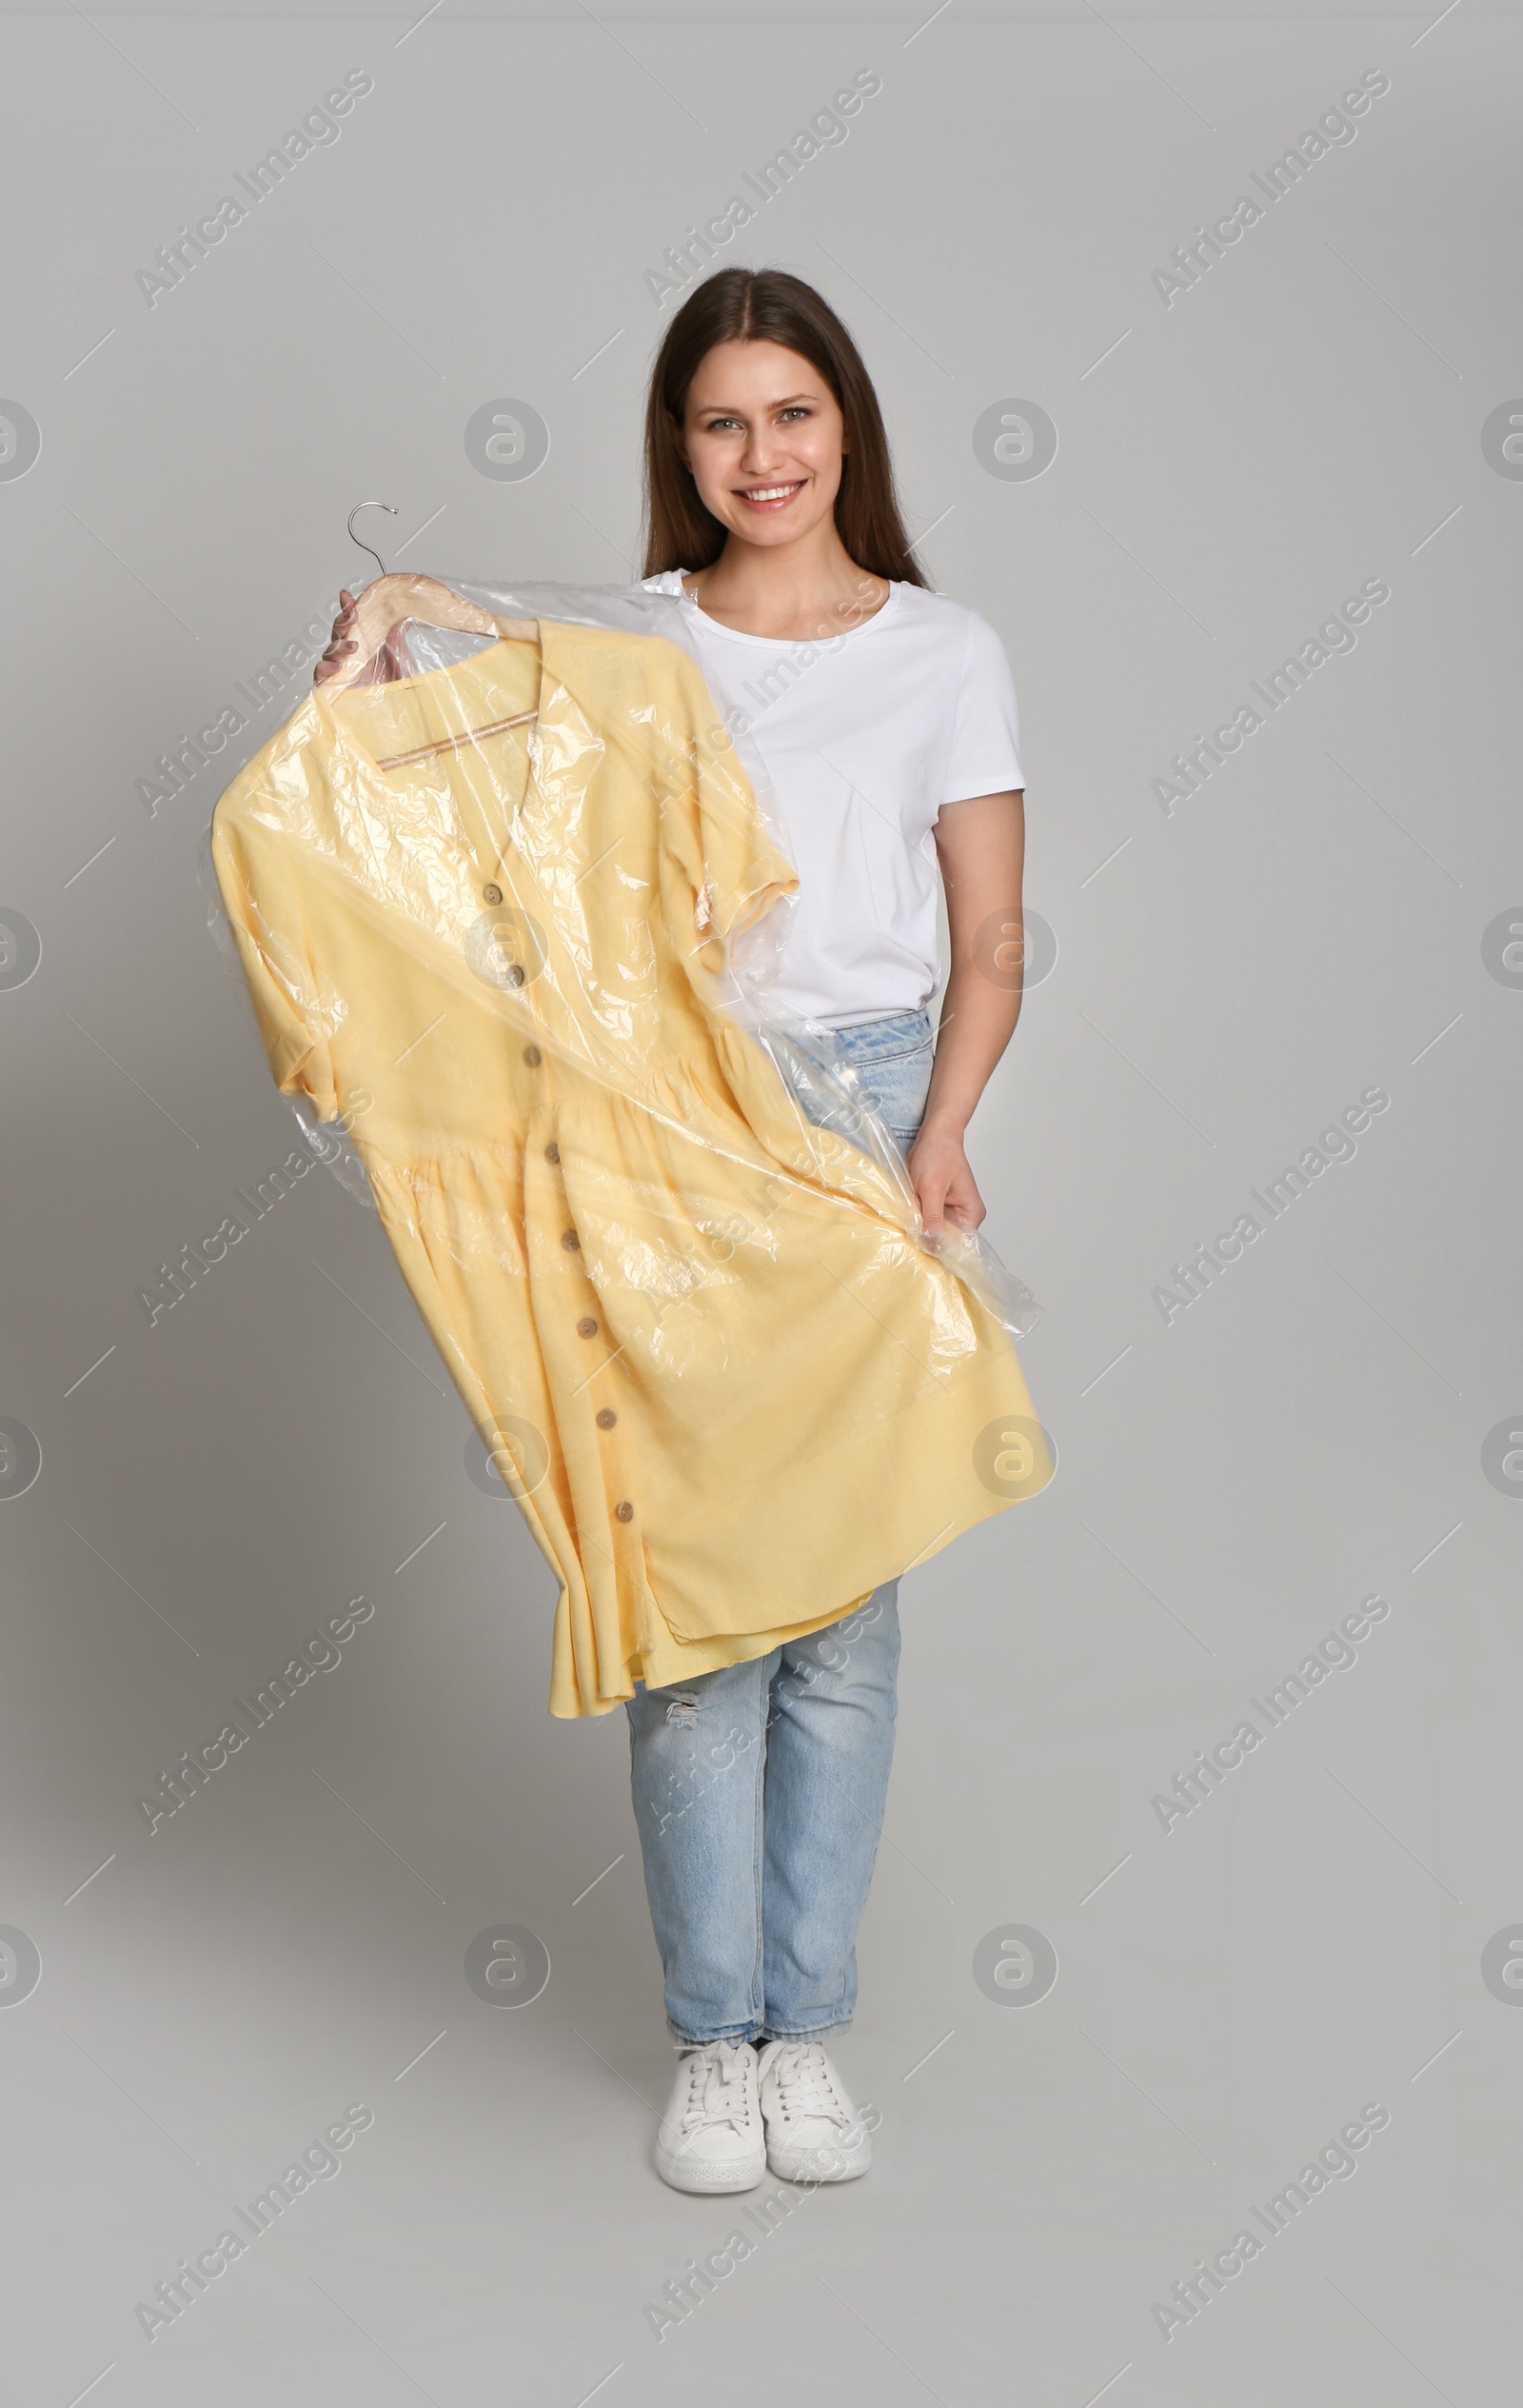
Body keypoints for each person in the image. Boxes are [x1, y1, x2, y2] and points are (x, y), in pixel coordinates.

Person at [315, 268, 1029, 2195]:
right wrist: (377, 643)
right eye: (720, 421)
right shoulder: (629, 644)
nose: (760, 455)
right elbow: (460, 761)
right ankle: (715, 2036)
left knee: (842, 1608)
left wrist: (940, 1131)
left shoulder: (945, 647)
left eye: (790, 415)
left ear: (844, 430)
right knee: (693, 1608)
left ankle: (811, 2028)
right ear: (679, 449)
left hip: (866, 1107)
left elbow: (986, 935)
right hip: (665, 1109)